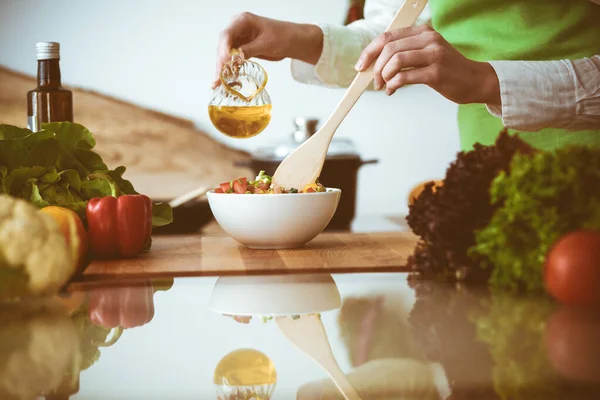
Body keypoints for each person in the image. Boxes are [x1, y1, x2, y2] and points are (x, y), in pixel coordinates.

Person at [213, 0, 600, 151]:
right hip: (486, 171)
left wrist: (486, 82)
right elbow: (393, 32)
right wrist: (298, 39)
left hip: (583, 181)